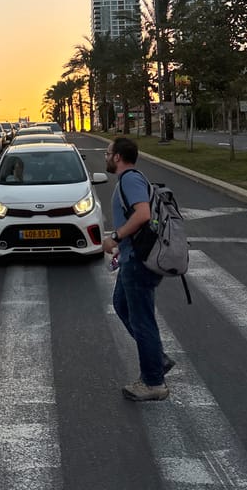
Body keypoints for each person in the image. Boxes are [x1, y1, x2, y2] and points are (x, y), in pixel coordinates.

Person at [102, 137, 173, 401]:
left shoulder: (130, 179)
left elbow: (142, 214)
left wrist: (116, 238)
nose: (106, 157)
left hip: (139, 262)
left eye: (108, 153)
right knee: (121, 305)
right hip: (131, 256)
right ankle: (156, 358)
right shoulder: (130, 179)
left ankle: (154, 382)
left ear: (118, 157)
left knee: (142, 319)